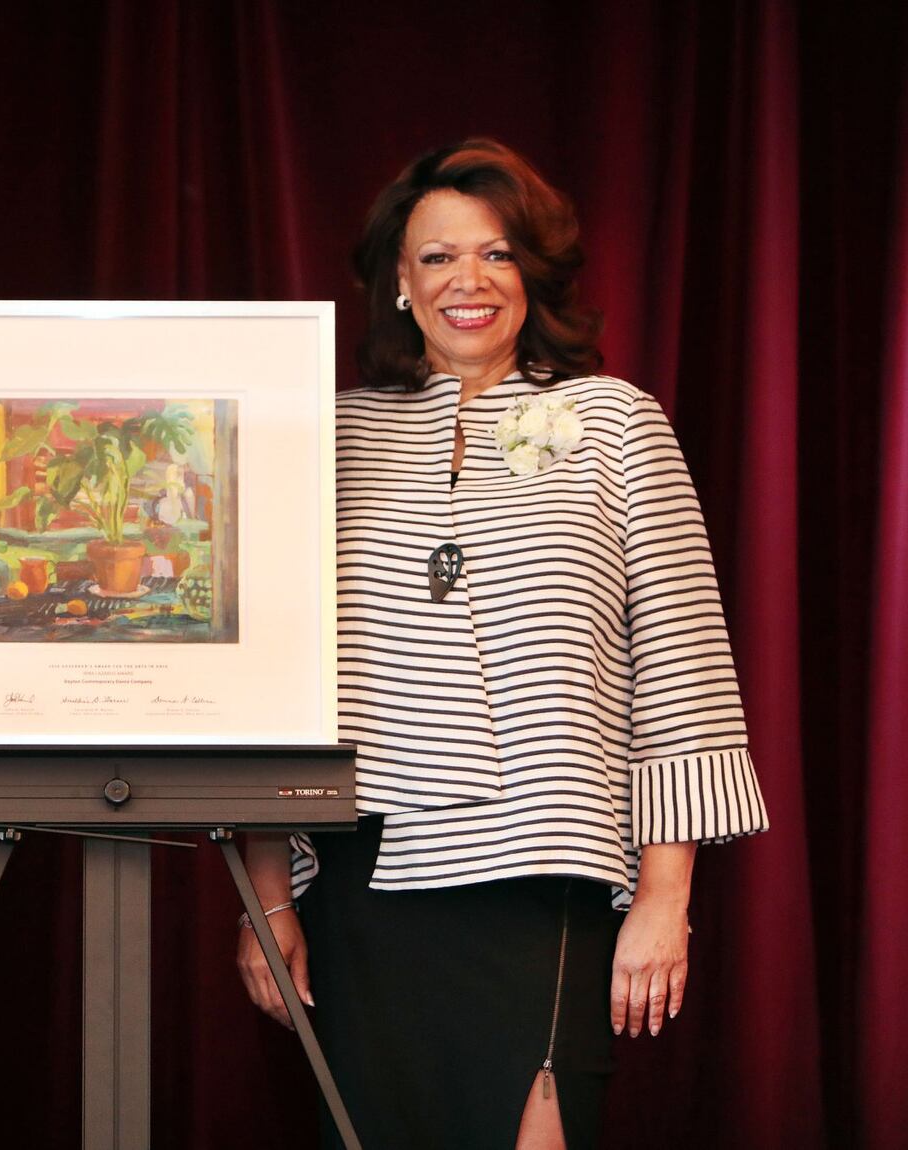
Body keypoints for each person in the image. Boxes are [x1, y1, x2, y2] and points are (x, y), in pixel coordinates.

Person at [236, 139, 769, 1149]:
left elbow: (681, 662)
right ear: (399, 278)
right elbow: (277, 673)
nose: (467, 282)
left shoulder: (615, 423)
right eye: (437, 257)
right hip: (367, 876)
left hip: (540, 873)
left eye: (497, 254)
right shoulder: (327, 434)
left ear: (533, 270)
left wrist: (665, 896)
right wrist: (263, 897)